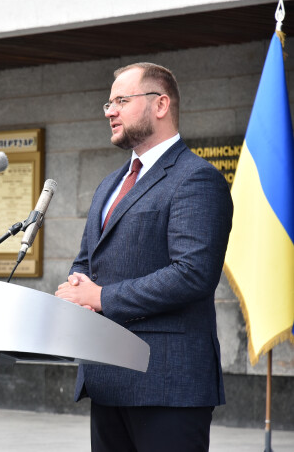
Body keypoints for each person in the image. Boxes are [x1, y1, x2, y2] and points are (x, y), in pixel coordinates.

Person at [55, 63, 233, 452]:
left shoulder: (196, 178)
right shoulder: (110, 183)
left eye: (121, 100)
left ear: (161, 104)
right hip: (106, 376)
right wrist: (76, 285)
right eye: (108, 102)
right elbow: (88, 259)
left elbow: (192, 274)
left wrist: (100, 298)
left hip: (167, 383)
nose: (109, 111)